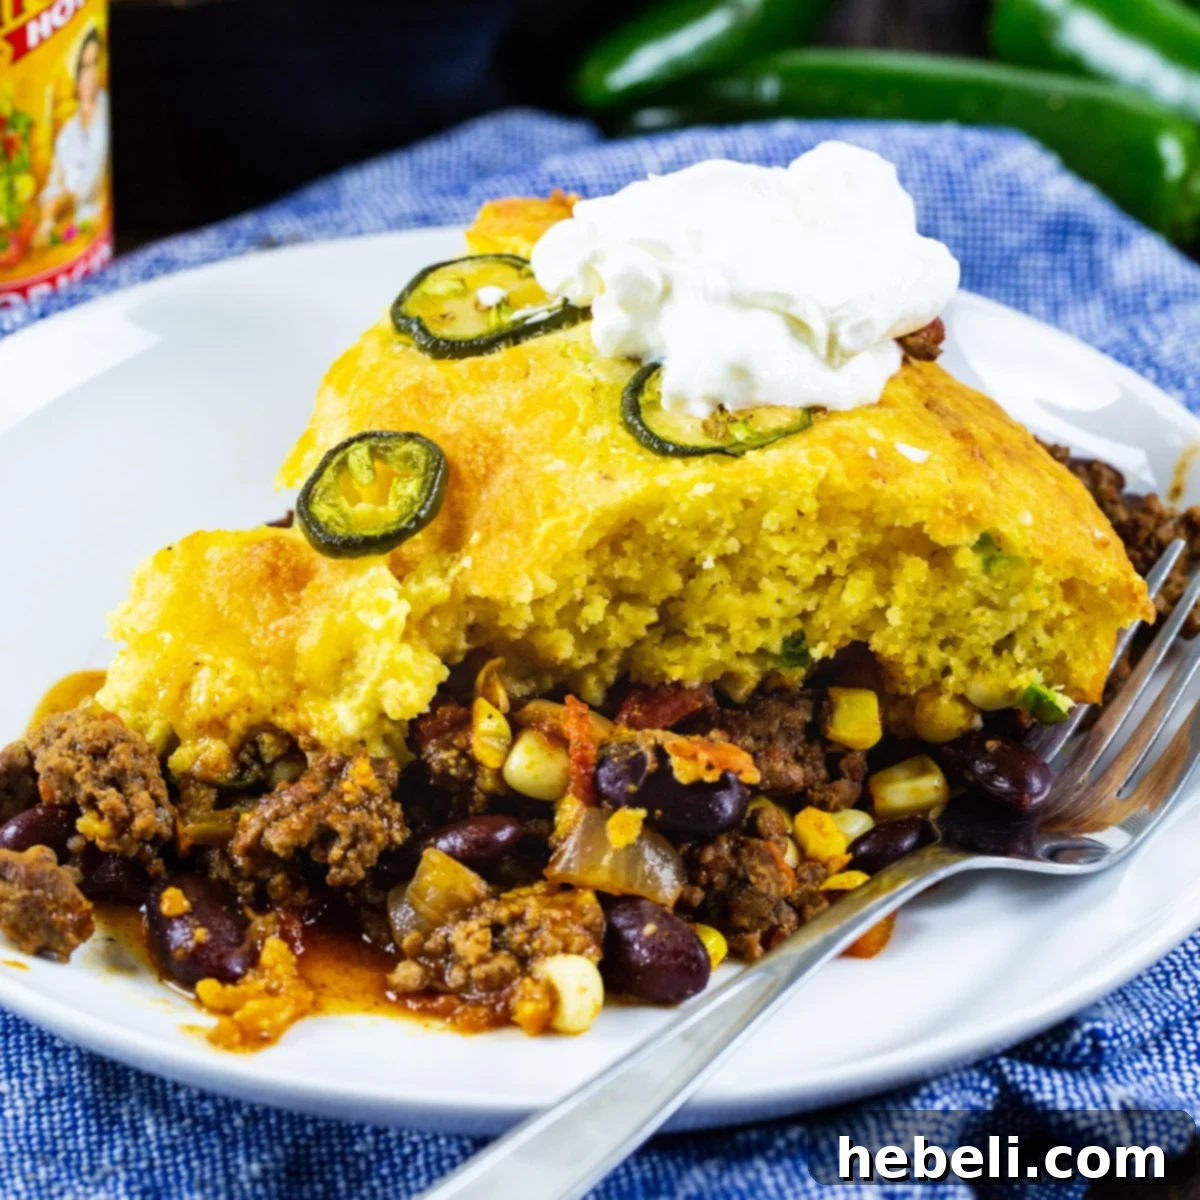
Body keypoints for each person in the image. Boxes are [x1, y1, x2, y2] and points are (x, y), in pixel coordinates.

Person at [34, 27, 109, 247]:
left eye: (96, 63)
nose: (91, 74)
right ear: (76, 74)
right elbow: (55, 185)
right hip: (78, 235)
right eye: (85, 67)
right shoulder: (68, 133)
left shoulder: (109, 110)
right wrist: (46, 222)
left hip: (100, 234)